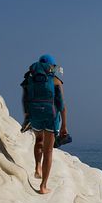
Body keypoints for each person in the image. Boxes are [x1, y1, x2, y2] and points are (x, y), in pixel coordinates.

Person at [20, 54, 67, 194]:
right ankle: (43, 186)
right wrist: (64, 125)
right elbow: (62, 105)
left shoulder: (29, 79)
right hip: (51, 118)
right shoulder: (56, 81)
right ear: (51, 67)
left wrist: (27, 116)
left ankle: (37, 167)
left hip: (35, 116)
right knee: (49, 151)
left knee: (38, 140)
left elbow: (25, 100)